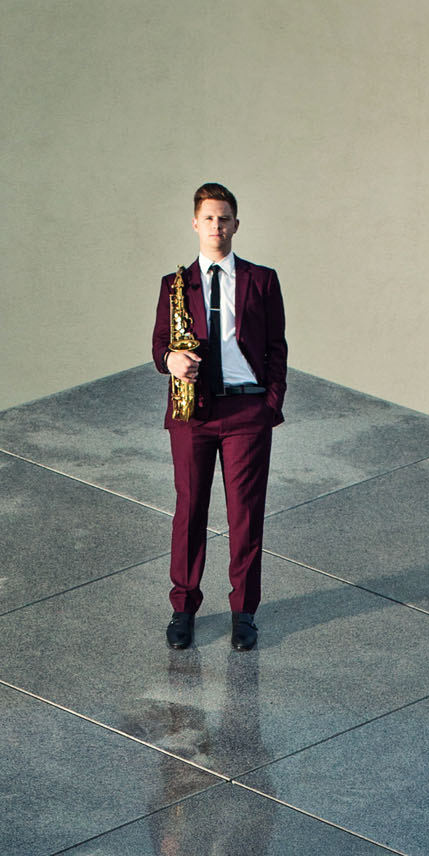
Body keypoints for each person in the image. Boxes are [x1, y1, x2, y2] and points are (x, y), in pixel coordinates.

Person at [151, 184, 287, 651]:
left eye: (224, 218)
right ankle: (183, 609)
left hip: (246, 409)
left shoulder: (262, 280)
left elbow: (276, 348)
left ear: (236, 224)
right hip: (193, 413)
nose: (217, 226)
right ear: (195, 223)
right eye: (209, 218)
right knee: (189, 510)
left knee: (245, 515)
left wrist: (270, 405)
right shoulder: (174, 285)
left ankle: (244, 613)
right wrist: (172, 360)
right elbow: (158, 346)